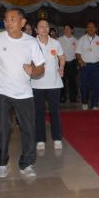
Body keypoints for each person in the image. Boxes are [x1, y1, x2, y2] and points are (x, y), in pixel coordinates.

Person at [0, 8, 45, 178]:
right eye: (6, 20)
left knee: (29, 129)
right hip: (2, 91)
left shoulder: (31, 42)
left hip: (24, 93)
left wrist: (33, 70)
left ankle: (26, 163)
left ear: (22, 22)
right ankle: (2, 161)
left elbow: (41, 67)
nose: (8, 23)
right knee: (2, 127)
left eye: (12, 19)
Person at [32, 18, 65, 150]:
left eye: (46, 26)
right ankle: (40, 139)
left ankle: (57, 138)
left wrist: (61, 67)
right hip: (36, 83)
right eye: (41, 26)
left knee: (54, 112)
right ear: (36, 30)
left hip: (54, 83)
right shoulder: (31, 43)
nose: (44, 29)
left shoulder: (55, 43)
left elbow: (62, 56)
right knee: (39, 113)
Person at [76, 21, 99, 110]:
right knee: (84, 85)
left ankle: (94, 104)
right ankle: (84, 102)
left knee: (96, 85)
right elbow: (77, 52)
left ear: (95, 29)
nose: (91, 29)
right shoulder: (81, 39)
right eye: (89, 27)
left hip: (96, 65)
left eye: (92, 27)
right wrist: (80, 61)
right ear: (86, 29)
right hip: (85, 65)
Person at [58, 25, 78, 103]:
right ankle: (62, 97)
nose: (66, 30)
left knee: (72, 81)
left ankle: (73, 97)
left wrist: (78, 64)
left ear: (72, 30)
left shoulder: (76, 40)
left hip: (72, 62)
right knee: (62, 81)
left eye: (68, 29)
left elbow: (77, 52)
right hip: (62, 63)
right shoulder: (59, 40)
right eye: (65, 29)